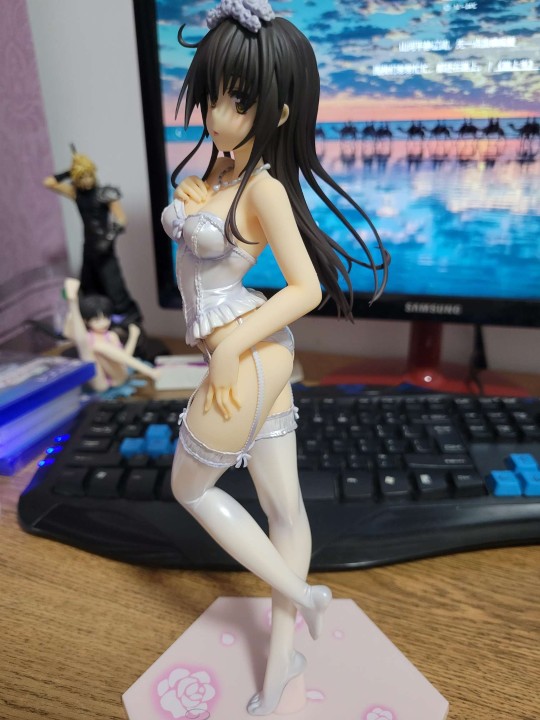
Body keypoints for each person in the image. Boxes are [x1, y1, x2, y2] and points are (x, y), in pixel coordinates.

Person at [161, 1, 390, 715]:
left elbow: (307, 287)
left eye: (239, 102)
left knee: (190, 488)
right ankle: (281, 660)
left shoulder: (263, 186)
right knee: (283, 509)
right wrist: (194, 200)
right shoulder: (225, 175)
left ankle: (301, 595)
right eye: (213, 97)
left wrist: (231, 346)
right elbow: (207, 248)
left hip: (248, 354)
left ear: (278, 112)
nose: (217, 115)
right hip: (254, 356)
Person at [43, 151, 143, 326]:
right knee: (89, 286)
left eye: (88, 175)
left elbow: (121, 219)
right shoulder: (76, 193)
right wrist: (70, 171)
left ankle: (129, 322)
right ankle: (96, 320)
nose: (86, 180)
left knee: (114, 287)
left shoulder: (106, 193)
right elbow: (49, 183)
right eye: (81, 177)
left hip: (105, 249)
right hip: (88, 247)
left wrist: (108, 239)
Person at [63, 278, 157, 392]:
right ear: (86, 321)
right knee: (86, 346)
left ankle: (148, 371)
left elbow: (124, 358)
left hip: (118, 377)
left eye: (106, 318)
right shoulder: (86, 338)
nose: (103, 323)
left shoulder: (111, 336)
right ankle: (72, 302)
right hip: (99, 382)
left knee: (98, 346)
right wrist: (72, 310)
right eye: (97, 320)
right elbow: (68, 333)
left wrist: (133, 337)